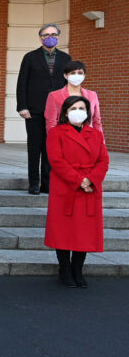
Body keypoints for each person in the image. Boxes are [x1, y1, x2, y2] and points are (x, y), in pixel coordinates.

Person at [45, 95, 109, 288]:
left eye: (81, 108)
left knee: (85, 232)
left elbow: (103, 161)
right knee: (62, 230)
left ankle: (77, 269)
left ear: (88, 112)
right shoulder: (56, 133)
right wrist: (79, 180)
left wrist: (91, 179)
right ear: (65, 112)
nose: (78, 112)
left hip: (90, 187)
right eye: (73, 108)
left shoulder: (96, 134)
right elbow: (56, 160)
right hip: (66, 186)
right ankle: (64, 268)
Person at [16, 23, 71, 194]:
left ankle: (47, 183)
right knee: (34, 148)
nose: (50, 37)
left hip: (57, 112)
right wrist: (22, 106)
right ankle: (33, 183)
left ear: (58, 36)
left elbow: (68, 84)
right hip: (34, 110)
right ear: (40, 38)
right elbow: (22, 83)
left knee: (52, 148)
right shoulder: (30, 57)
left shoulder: (66, 58)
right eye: (46, 35)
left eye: (53, 34)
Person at [45, 60, 103, 135]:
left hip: (88, 137)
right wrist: (53, 141)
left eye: (80, 73)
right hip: (65, 138)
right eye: (72, 73)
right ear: (65, 76)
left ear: (84, 75)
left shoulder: (92, 95)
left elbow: (97, 121)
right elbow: (51, 123)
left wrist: (101, 142)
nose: (76, 75)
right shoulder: (54, 95)